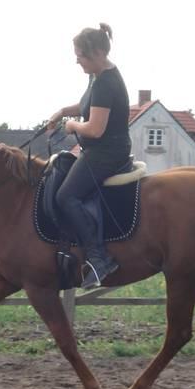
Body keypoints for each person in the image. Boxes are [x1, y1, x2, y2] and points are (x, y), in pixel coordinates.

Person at [49, 23, 132, 289]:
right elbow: (87, 104)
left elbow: (95, 129)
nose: (77, 60)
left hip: (107, 152)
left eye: (80, 55)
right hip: (101, 149)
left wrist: (72, 126)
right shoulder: (97, 76)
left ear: (96, 53)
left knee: (66, 195)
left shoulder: (106, 82)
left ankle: (100, 257)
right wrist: (63, 111)